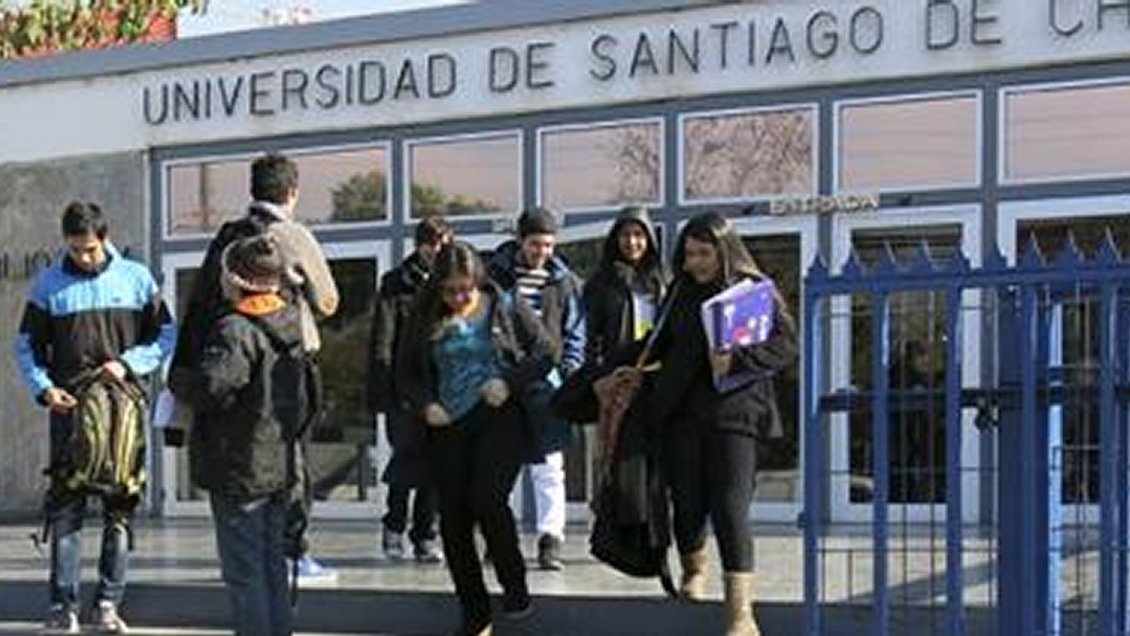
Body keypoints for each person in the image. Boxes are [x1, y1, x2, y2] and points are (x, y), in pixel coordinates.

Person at [615, 212, 797, 636]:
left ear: (724, 250)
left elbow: (786, 346)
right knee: (688, 504)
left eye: (703, 253)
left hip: (735, 413)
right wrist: (626, 368)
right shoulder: (679, 291)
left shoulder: (751, 290)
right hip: (681, 414)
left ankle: (740, 614)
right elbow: (656, 342)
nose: (694, 262)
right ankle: (693, 570)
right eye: (689, 254)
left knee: (731, 508)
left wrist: (738, 359)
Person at [168, 152, 340, 583]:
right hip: (286, 359)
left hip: (232, 361)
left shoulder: (226, 238)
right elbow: (328, 300)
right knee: (291, 460)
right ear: (293, 192)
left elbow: (201, 305)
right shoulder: (293, 236)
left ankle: (263, 554)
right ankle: (293, 553)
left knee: (247, 460)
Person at [14, 201, 176, 634]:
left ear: (104, 238)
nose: (82, 257)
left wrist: (129, 363)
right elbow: (26, 346)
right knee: (65, 512)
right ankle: (61, 607)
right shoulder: (48, 285)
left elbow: (165, 335)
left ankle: (107, 603)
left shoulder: (137, 279)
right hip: (70, 413)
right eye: (74, 248)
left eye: (89, 248)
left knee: (118, 510)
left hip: (124, 412)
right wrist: (44, 388)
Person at [397, 242, 554, 636]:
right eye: (449, 290)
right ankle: (475, 612)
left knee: (487, 498)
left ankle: (513, 583)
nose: (458, 298)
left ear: (479, 281)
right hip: (447, 423)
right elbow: (404, 373)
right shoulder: (424, 313)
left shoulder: (503, 303)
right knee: (453, 519)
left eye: (465, 289)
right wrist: (425, 404)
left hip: (498, 416)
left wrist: (509, 381)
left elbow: (547, 351)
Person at [183, 235, 311, 636]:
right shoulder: (292, 324)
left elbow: (211, 389)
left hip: (240, 467)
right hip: (280, 465)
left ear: (237, 280)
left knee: (245, 574)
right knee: (272, 565)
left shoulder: (235, 331)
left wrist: (183, 383)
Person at [486, 207, 585, 571]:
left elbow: (575, 333)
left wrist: (569, 372)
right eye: (535, 244)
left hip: (547, 380)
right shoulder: (495, 277)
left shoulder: (565, 281)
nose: (542, 252)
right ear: (519, 240)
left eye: (548, 245)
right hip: (503, 380)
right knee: (501, 461)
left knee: (549, 465)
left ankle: (550, 538)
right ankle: (499, 537)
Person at [369, 216, 453, 563]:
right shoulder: (396, 283)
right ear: (420, 245)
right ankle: (393, 526)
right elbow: (383, 339)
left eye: (444, 244)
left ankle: (425, 535)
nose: (438, 251)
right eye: (433, 243)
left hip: (440, 388)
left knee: (436, 464)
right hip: (404, 387)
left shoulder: (451, 285)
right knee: (406, 460)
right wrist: (388, 386)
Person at [582, 205, 666, 367]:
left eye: (638, 235)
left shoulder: (662, 281)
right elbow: (590, 334)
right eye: (625, 235)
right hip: (614, 368)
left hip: (654, 368)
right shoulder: (601, 282)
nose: (632, 242)